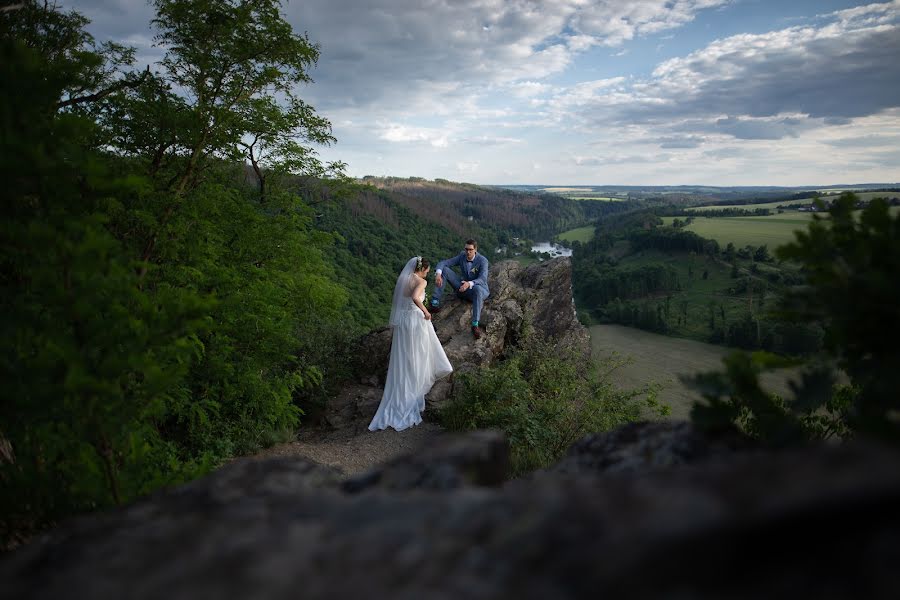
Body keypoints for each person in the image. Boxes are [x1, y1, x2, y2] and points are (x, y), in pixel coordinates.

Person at [369, 257, 453, 432]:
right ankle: (414, 389)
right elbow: (415, 298)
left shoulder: (404, 279)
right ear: (423, 269)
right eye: (428, 270)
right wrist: (426, 311)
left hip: (403, 322)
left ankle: (402, 389)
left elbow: (404, 299)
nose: (428, 273)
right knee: (419, 355)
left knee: (404, 357)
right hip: (415, 321)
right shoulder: (421, 281)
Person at [431, 239, 490, 339]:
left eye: (470, 250)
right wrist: (438, 274)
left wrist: (469, 283)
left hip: (478, 289)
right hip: (463, 287)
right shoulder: (462, 256)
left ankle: (475, 324)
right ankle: (435, 302)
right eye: (466, 249)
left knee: (478, 289)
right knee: (444, 270)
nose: (468, 252)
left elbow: (483, 279)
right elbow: (444, 262)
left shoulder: (482, 260)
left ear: (475, 249)